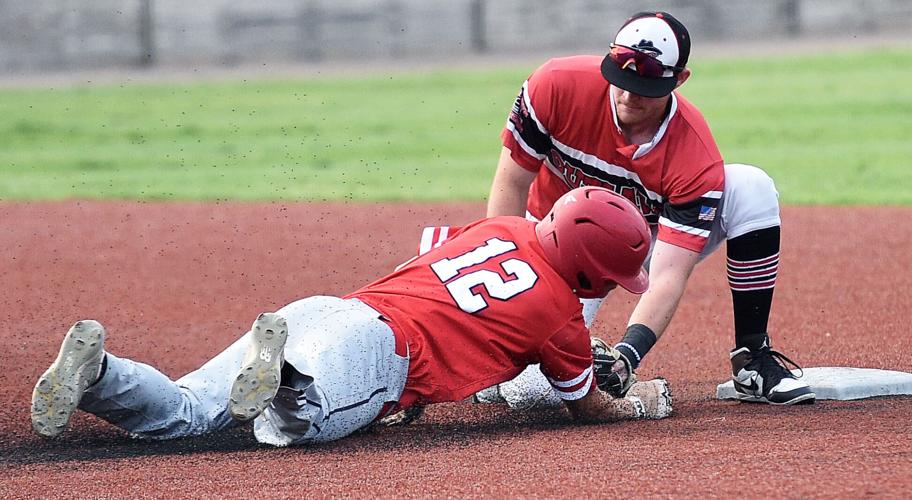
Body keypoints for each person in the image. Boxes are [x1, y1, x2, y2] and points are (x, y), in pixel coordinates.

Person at [31, 187, 673, 446]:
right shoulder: (561, 316)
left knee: (189, 410)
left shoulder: (502, 224)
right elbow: (585, 406)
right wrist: (637, 404)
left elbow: (439, 265)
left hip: (332, 308)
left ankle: (99, 374)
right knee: (289, 431)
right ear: (590, 266)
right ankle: (284, 380)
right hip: (378, 353)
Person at [483, 11, 814, 406]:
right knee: (531, 392)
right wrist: (503, 268)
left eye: (643, 87)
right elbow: (510, 183)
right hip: (556, 242)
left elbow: (669, 274)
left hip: (647, 239)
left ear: (680, 80)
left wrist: (627, 355)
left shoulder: (693, 155)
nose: (626, 95)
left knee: (751, 187)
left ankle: (752, 359)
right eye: (621, 80)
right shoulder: (555, 85)